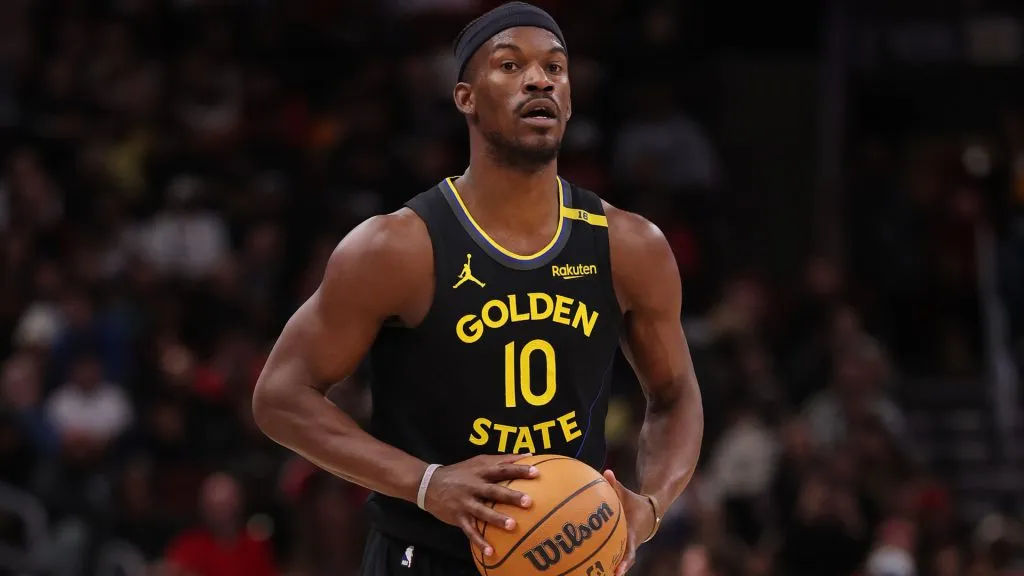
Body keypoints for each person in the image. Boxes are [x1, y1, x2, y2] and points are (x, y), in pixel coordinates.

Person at [251, 3, 704, 575]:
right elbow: (280, 396)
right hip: (426, 555)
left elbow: (676, 394)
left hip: (564, 555)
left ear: (568, 98)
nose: (539, 80)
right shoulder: (398, 247)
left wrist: (651, 506)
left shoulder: (628, 245)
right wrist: (426, 483)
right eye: (511, 65)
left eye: (555, 68)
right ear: (465, 97)